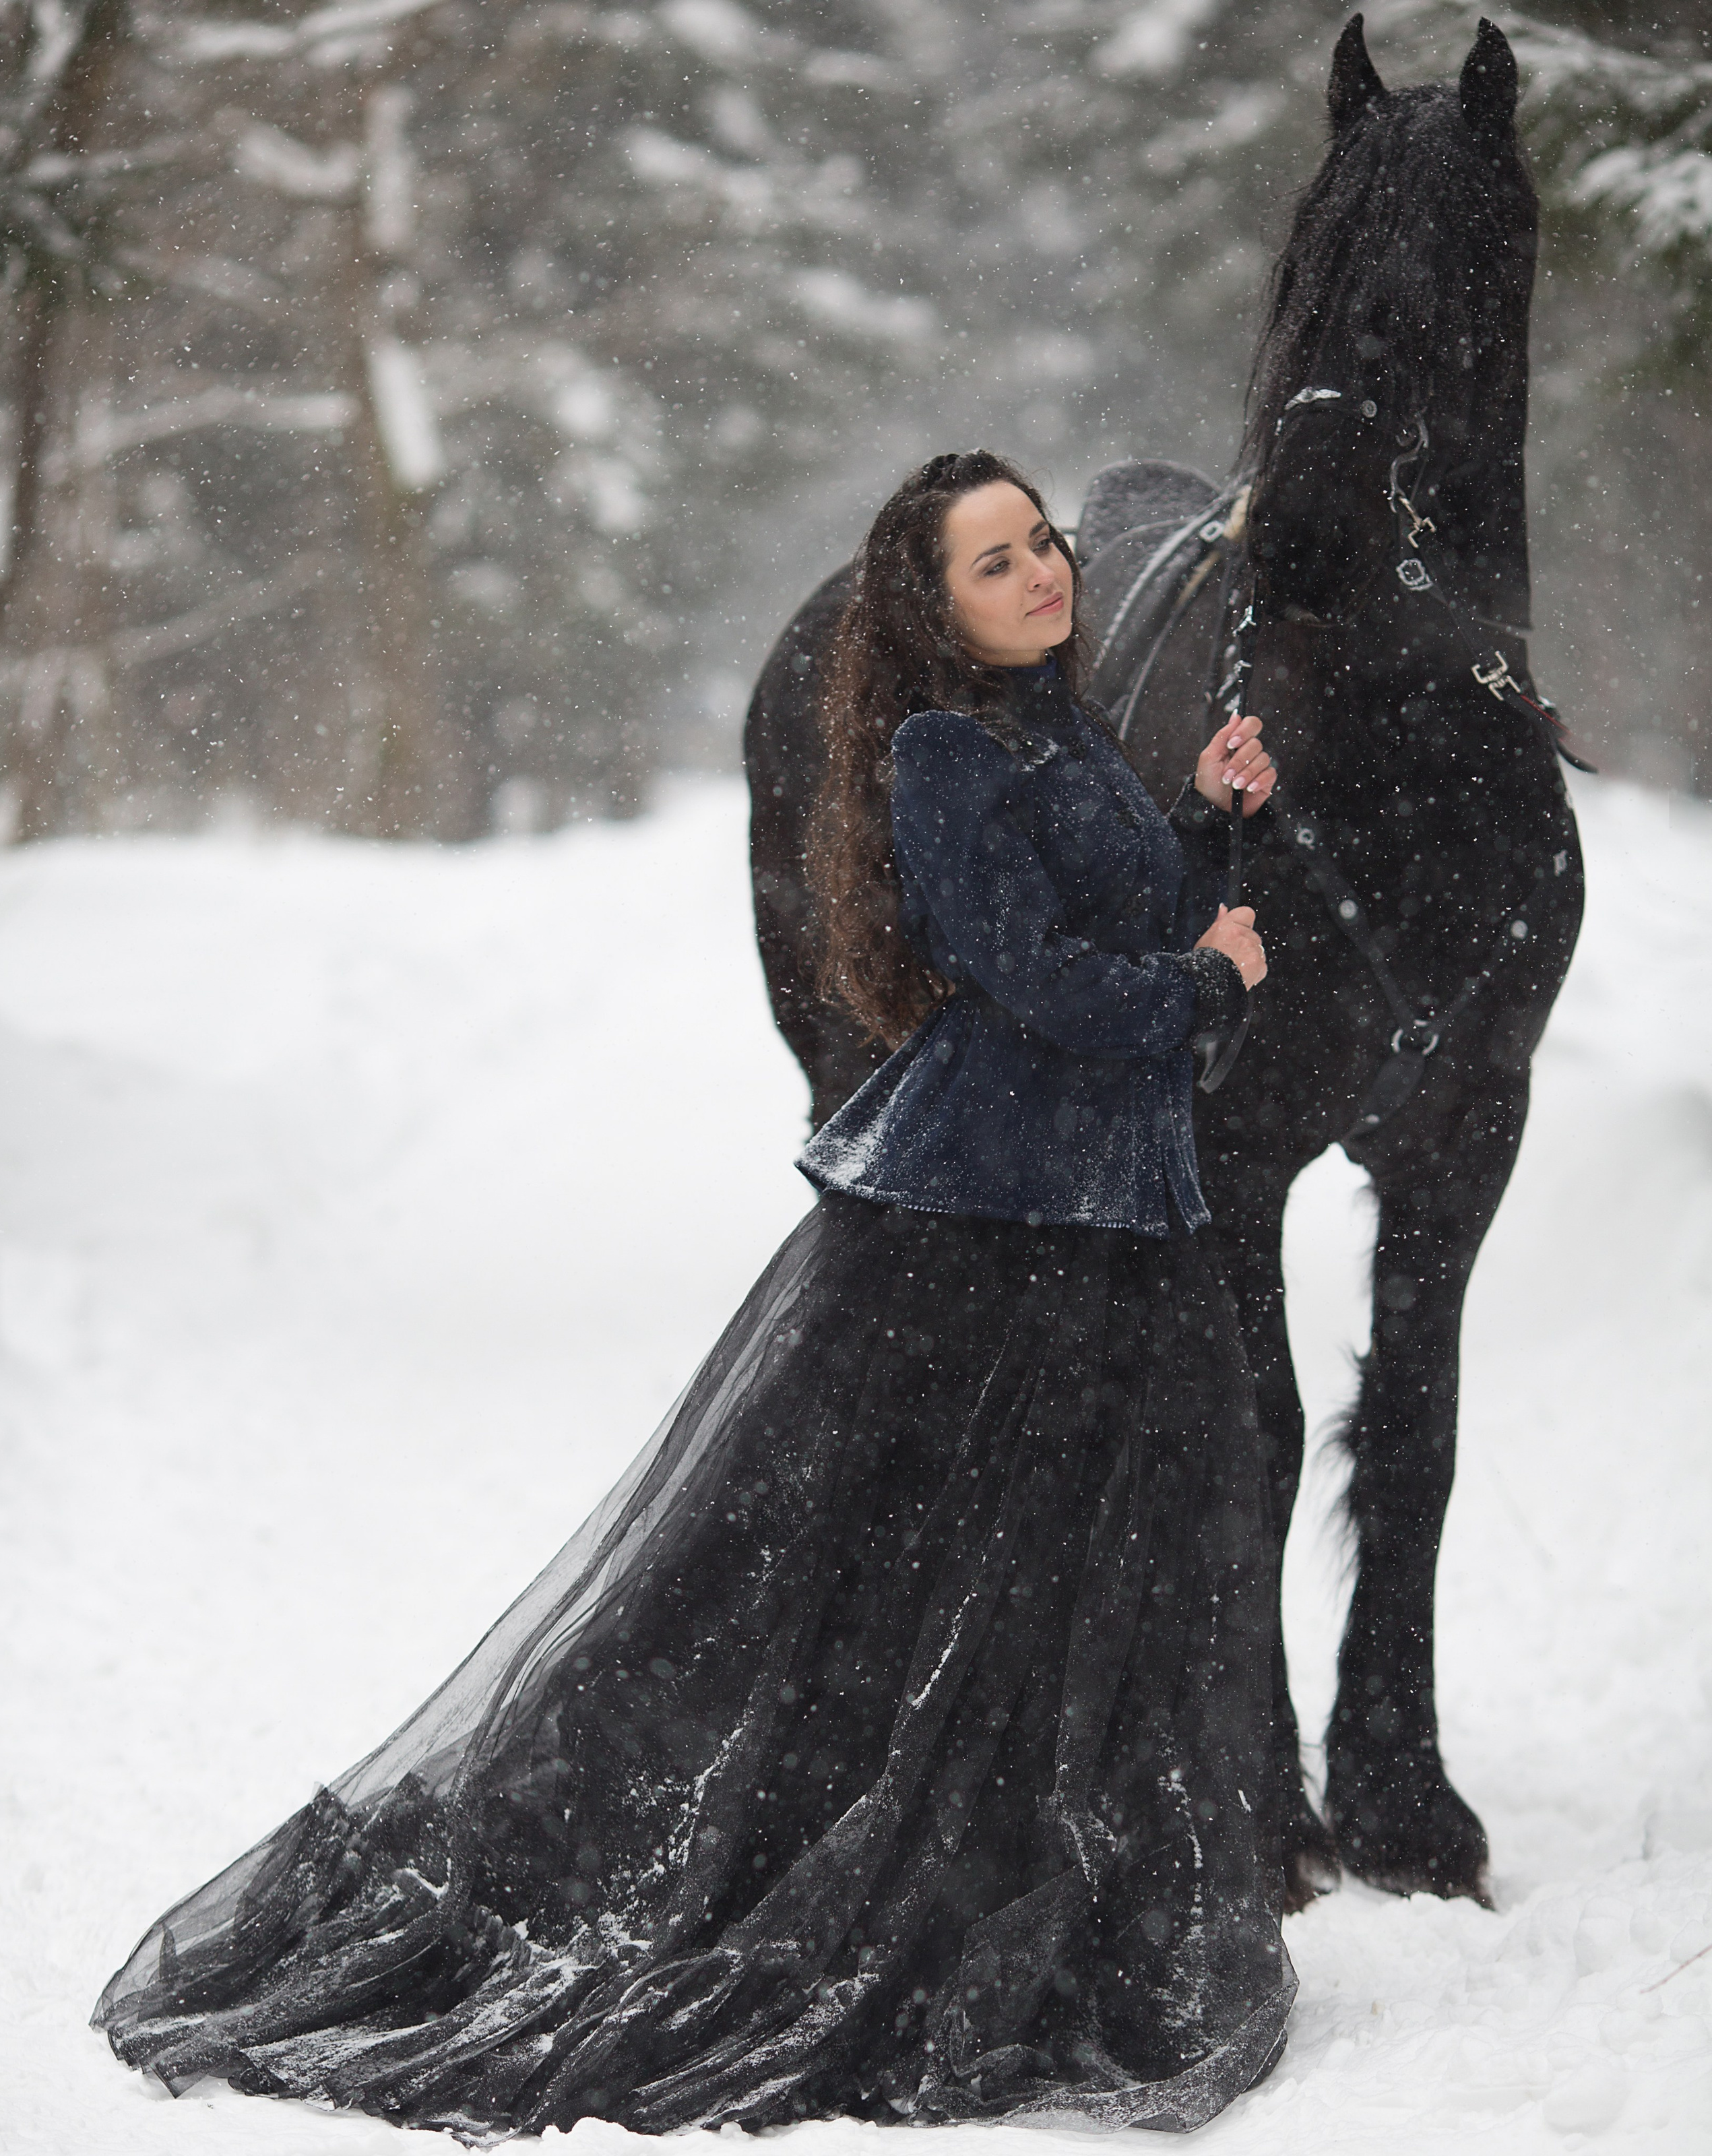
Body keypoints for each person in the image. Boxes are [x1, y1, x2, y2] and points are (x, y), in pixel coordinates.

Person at [94, 450, 1289, 2138]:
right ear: (929, 606)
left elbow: (1115, 907)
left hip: (1100, 1213)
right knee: (905, 1577)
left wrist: (1202, 817)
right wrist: (1201, 980)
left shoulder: (1059, 723)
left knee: (1073, 1560)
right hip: (990, 1224)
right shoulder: (945, 749)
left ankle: (1029, 1860)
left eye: (1041, 544)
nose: (1040, 574)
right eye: (993, 561)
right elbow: (1032, 984)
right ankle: (865, 1882)